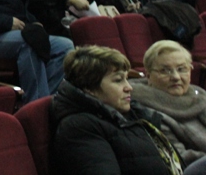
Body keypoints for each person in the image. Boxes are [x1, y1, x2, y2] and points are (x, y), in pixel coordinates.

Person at [52, 45, 184, 175]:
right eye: (118, 80)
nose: (129, 87)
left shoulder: (133, 114)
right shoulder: (80, 127)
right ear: (90, 88)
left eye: (127, 79)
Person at [131, 41, 206, 172]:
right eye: (165, 71)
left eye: (181, 69)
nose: (176, 77)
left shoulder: (200, 95)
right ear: (148, 75)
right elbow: (180, 158)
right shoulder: (147, 112)